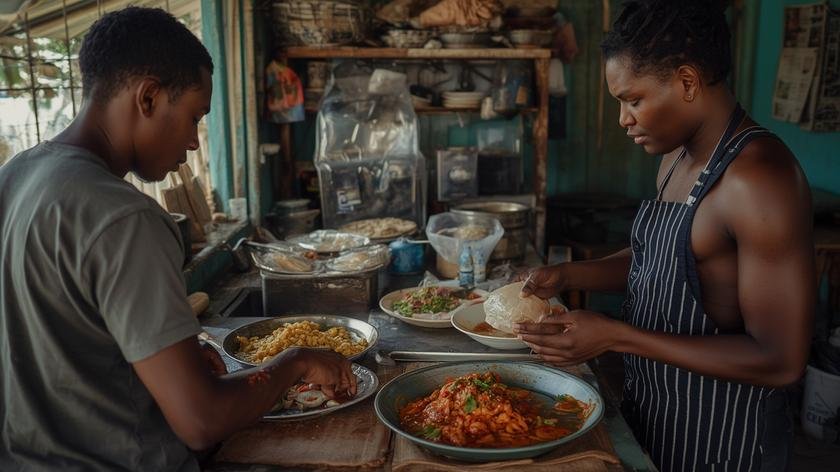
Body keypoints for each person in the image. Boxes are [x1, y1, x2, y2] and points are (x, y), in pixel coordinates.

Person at [0, 7, 355, 470]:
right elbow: (201, 420)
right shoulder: (123, 217)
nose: (192, 143)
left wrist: (175, 359)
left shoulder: (15, 176)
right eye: (194, 117)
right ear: (148, 97)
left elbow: (57, 343)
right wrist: (296, 361)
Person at [516, 1, 814, 471]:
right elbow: (661, 261)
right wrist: (570, 274)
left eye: (633, 100)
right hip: (656, 415)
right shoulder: (675, 158)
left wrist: (615, 336)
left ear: (688, 82)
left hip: (725, 440)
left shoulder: (757, 179)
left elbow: (780, 360)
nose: (624, 119)